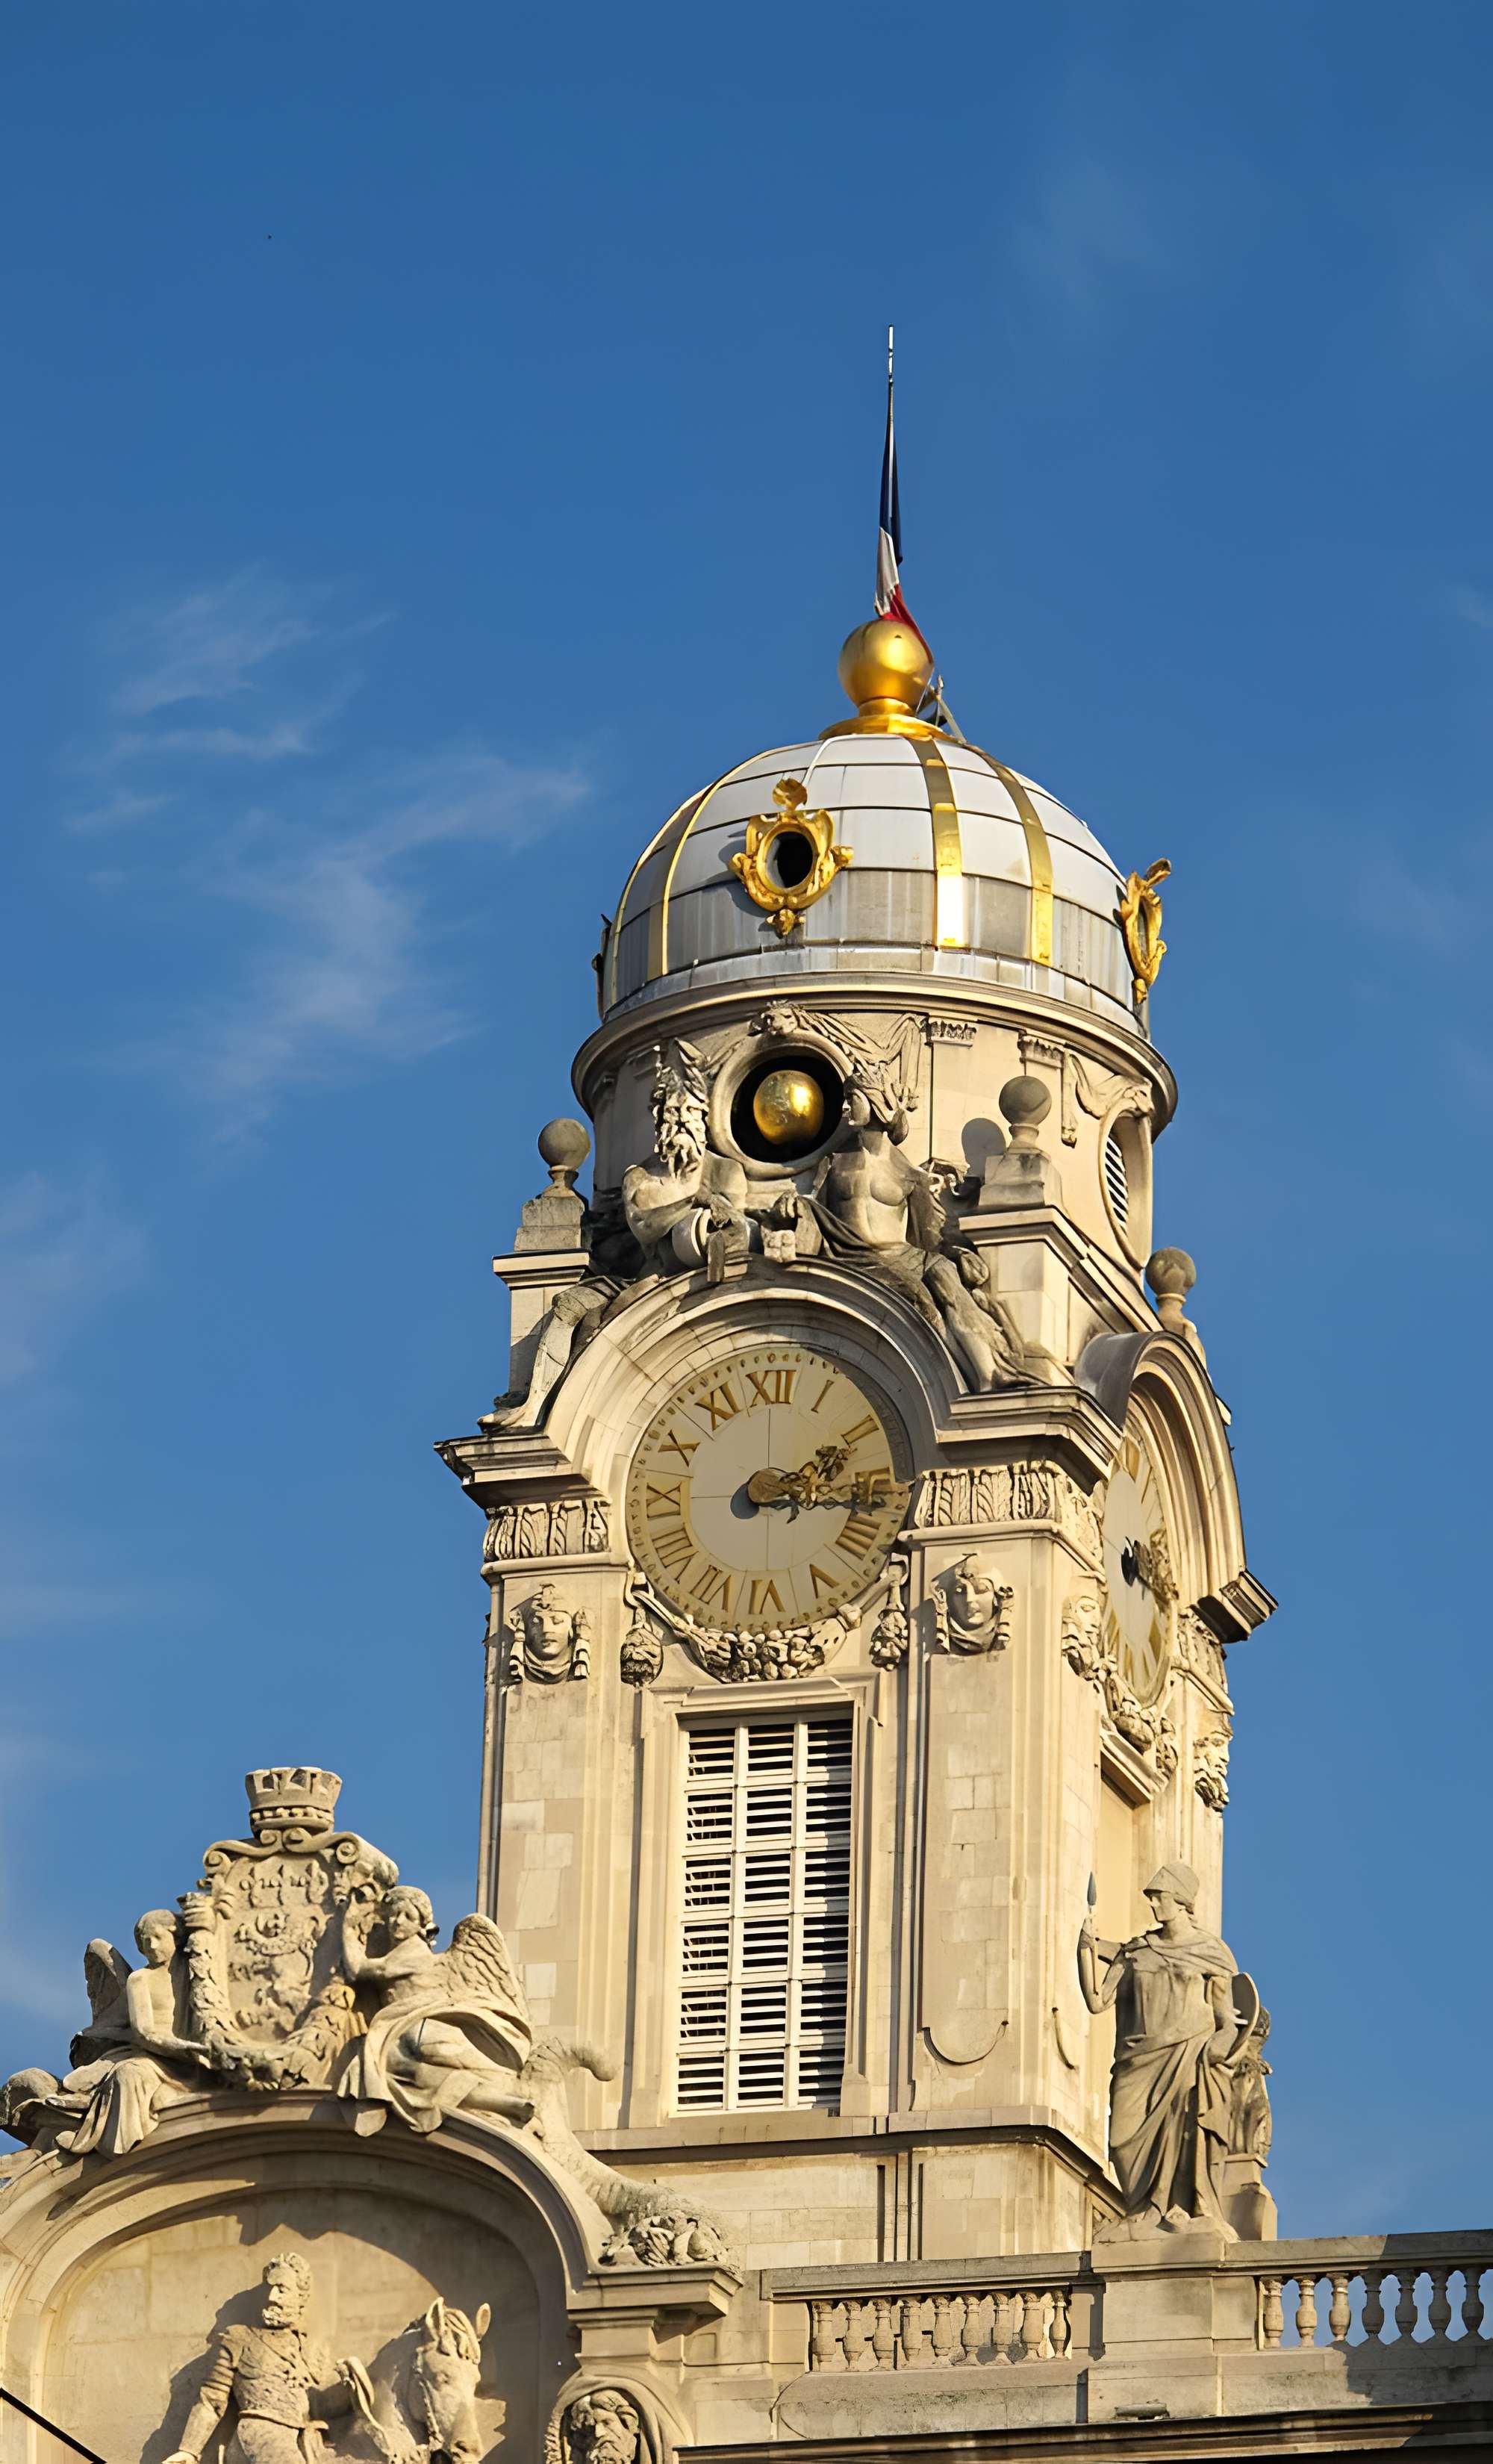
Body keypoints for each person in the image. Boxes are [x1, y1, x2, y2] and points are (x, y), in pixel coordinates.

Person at [1078, 1861, 1245, 2236]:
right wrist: (1085, 1952)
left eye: (1159, 1897)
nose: (1153, 1905)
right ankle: (1141, 2206)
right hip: (1138, 2060)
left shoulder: (1211, 1953)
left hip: (1188, 2053)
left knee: (1184, 2130)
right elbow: (1096, 2001)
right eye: (1151, 1898)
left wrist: (1219, 2049)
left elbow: (1226, 2019)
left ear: (1181, 1901)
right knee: (1121, 2139)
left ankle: (1173, 2207)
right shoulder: (1137, 1951)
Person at [336, 1887, 532, 2135]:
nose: (398, 1921)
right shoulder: (399, 1951)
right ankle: (501, 2103)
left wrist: (347, 1926)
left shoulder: (413, 1951)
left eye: (408, 1916)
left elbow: (357, 1970)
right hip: (406, 2028)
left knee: (388, 2059)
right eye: (393, 1915)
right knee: (420, 2076)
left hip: (415, 2024)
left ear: (421, 1924)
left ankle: (500, 2085)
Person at [163, 2253, 351, 2464]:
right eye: (269, 2288)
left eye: (282, 2289)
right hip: (260, 2433)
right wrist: (189, 2450)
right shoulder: (238, 2338)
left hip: (306, 2439)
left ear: (301, 2298)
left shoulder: (309, 2348)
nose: (272, 2297)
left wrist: (351, 2389)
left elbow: (317, 2405)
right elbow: (212, 2399)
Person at [57, 1908, 215, 2159]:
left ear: (176, 1937)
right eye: (145, 1941)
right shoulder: (141, 1979)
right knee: (128, 2075)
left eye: (158, 1938)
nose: (151, 1946)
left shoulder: (196, 1972)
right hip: (155, 2058)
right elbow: (144, 2033)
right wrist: (186, 2049)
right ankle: (125, 2154)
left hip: (196, 2062)